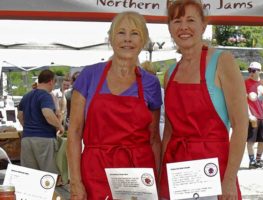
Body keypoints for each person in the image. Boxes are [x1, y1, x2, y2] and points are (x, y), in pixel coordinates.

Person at [67, 12, 162, 199]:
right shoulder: (90, 75)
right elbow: (75, 133)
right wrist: (76, 183)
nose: (128, 39)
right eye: (121, 33)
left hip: (137, 171)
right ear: (110, 38)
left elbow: (153, 139)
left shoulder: (150, 83)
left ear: (143, 40)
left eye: (135, 33)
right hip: (95, 172)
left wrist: (156, 182)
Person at [159, 1, 248, 199]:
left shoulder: (223, 61)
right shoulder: (170, 73)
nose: (183, 27)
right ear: (169, 27)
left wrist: (230, 179)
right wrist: (160, 175)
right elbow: (169, 132)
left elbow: (241, 126)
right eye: (177, 21)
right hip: (177, 169)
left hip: (215, 169)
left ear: (203, 25)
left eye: (190, 20)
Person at [17, 69, 64, 174]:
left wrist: (28, 128)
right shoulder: (45, 95)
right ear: (51, 81)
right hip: (44, 139)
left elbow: (20, 116)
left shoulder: (26, 96)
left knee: (30, 175)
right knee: (48, 176)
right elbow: (47, 114)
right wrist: (60, 127)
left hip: (27, 139)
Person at [245, 61, 263, 169]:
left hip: (262, 116)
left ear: (259, 71)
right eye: (249, 70)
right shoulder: (245, 83)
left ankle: (258, 160)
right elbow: (243, 100)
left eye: (253, 70)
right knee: (251, 140)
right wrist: (249, 114)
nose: (251, 72)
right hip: (252, 116)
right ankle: (252, 161)